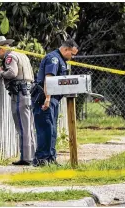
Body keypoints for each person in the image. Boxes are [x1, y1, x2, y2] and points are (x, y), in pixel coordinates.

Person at [32, 39, 79, 167]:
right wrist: (47, 99)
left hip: (53, 99)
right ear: (65, 49)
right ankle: (41, 159)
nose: (73, 57)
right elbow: (49, 79)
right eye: (72, 54)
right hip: (45, 98)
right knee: (45, 129)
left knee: (52, 129)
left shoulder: (61, 60)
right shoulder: (53, 59)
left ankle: (50, 158)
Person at [0, 36, 36, 166]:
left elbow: (12, 73)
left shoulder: (10, 57)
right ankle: (32, 155)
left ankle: (26, 158)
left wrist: (0, 72)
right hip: (28, 93)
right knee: (29, 127)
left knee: (22, 127)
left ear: (1, 48)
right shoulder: (22, 55)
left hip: (19, 95)